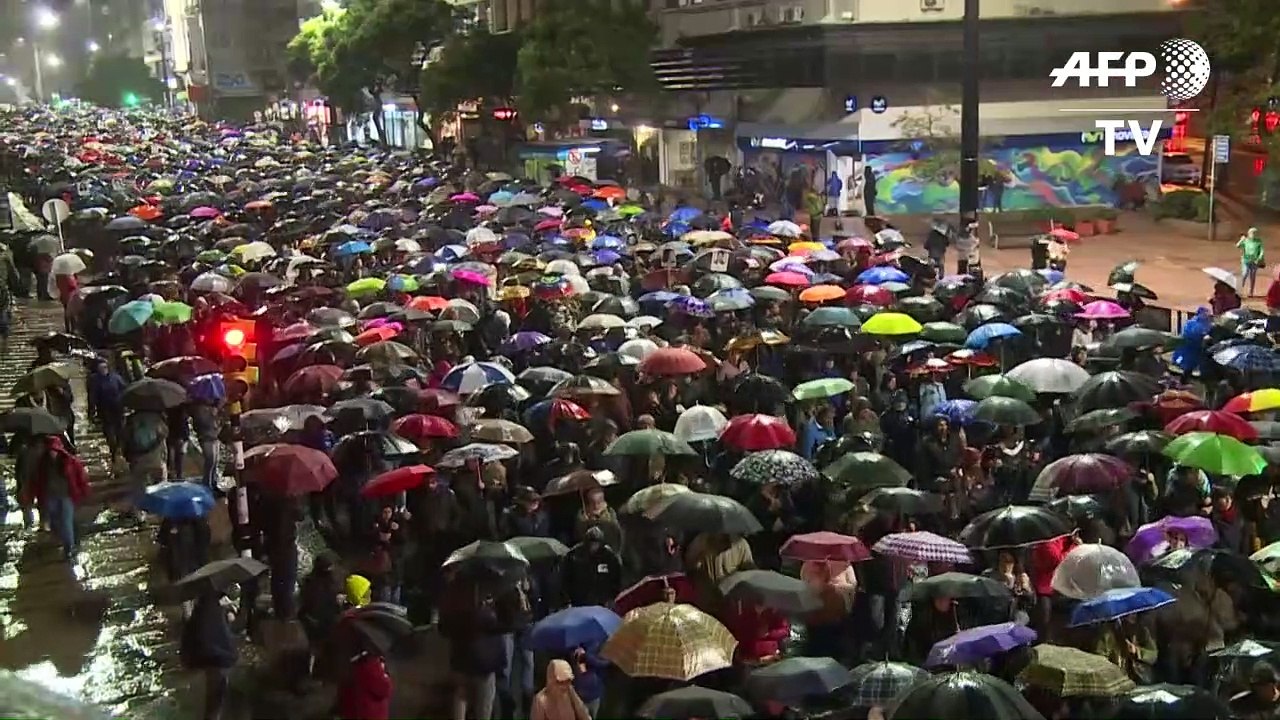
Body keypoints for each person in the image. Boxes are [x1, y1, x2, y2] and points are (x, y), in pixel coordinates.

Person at [20, 434, 89, 559]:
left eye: (55, 451)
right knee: (55, 521)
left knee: (66, 522)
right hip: (50, 497)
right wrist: (30, 496)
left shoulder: (70, 462)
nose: (53, 454)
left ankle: (69, 548)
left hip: (66, 496)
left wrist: (83, 492)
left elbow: (80, 478)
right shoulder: (42, 464)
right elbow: (36, 482)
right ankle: (63, 539)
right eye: (51, 451)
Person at [180, 591, 237, 720]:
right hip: (216, 649)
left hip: (202, 649)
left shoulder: (193, 591)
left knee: (213, 683)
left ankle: (211, 713)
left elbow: (187, 615)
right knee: (216, 682)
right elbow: (230, 613)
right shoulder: (217, 590)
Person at [560, 526, 623, 607]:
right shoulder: (574, 555)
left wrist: (612, 598)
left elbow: (616, 578)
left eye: (596, 543)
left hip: (601, 602)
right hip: (579, 601)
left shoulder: (609, 557)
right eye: (592, 543)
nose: (594, 546)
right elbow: (565, 578)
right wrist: (566, 600)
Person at [86, 357, 127, 465]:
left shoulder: (116, 378)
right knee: (109, 434)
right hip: (104, 411)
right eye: (101, 368)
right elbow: (92, 397)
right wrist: (91, 412)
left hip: (118, 409)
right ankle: (114, 452)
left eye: (105, 367)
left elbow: (124, 390)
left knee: (120, 432)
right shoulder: (94, 380)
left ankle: (119, 451)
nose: (103, 369)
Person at [335, 645, 393, 720]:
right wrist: (386, 676)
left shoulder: (352, 665)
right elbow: (384, 689)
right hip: (371, 714)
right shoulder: (371, 665)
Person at [1238, 226, 1266, 296]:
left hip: (1254, 261)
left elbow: (1262, 251)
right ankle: (1240, 289)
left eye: (1255, 233)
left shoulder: (1259, 241)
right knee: (1245, 273)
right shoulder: (1245, 240)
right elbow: (1237, 246)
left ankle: (1251, 292)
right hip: (1245, 260)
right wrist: (1241, 240)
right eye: (1252, 233)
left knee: (1252, 276)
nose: (1253, 234)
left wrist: (1259, 259)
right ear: (1248, 234)